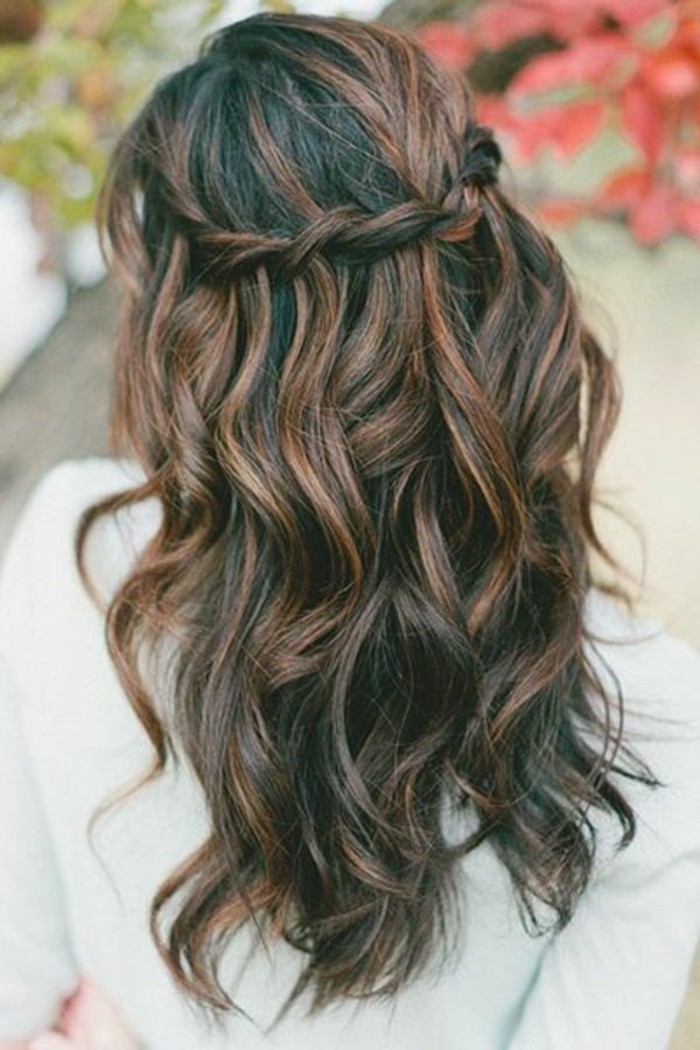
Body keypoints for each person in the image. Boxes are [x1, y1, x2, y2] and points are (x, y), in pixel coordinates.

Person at [1, 11, 700, 1050]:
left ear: (184, 338)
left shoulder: (73, 559)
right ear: (490, 291)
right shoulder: (644, 721)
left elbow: (16, 994)